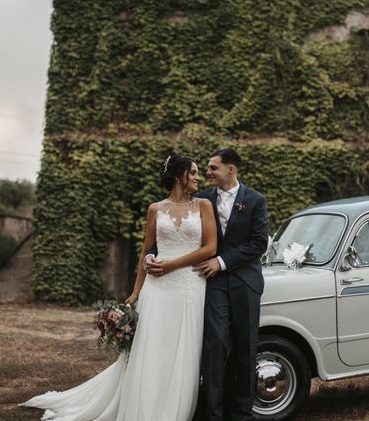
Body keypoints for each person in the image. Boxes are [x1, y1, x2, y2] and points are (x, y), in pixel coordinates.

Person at [20, 155, 217, 421]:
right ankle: (144, 407)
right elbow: (146, 251)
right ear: (178, 175)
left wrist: (171, 265)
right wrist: (136, 293)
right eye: (192, 173)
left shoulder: (204, 205)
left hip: (189, 288)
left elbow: (210, 248)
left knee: (182, 351)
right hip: (157, 288)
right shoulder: (155, 209)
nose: (197, 178)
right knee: (151, 349)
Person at [146, 147, 269, 421]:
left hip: (244, 282)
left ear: (231, 169)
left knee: (245, 348)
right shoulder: (201, 200)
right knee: (212, 347)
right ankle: (212, 413)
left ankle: (241, 413)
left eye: (213, 168)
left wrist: (221, 261)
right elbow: (171, 230)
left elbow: (259, 243)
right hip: (209, 283)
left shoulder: (256, 200)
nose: (208, 172)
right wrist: (152, 256)